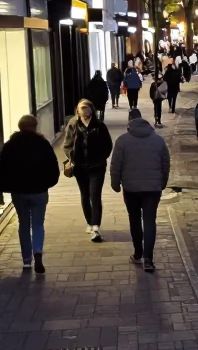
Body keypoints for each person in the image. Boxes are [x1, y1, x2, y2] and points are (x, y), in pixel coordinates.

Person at [110, 107, 170, 273]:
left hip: (131, 189)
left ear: (129, 125)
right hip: (153, 189)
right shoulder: (158, 141)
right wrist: (162, 182)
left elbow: (116, 166)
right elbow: (165, 164)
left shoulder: (122, 141)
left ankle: (138, 253)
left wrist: (115, 183)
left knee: (134, 219)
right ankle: (149, 260)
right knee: (150, 221)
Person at [0, 114, 61, 272]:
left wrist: (8, 186)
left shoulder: (10, 145)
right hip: (39, 190)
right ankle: (38, 252)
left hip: (19, 191)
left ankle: (26, 260)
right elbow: (53, 166)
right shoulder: (42, 143)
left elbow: (3, 169)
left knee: (24, 224)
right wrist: (48, 183)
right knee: (38, 224)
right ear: (35, 126)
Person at [63, 99, 113, 242]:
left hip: (97, 166)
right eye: (82, 108)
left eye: (87, 107)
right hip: (79, 167)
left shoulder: (99, 125)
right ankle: (90, 222)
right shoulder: (73, 124)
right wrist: (72, 158)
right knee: (85, 195)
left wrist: (101, 157)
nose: (85, 110)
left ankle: (96, 227)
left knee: (95, 195)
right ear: (77, 111)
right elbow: (66, 145)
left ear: (92, 109)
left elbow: (108, 144)